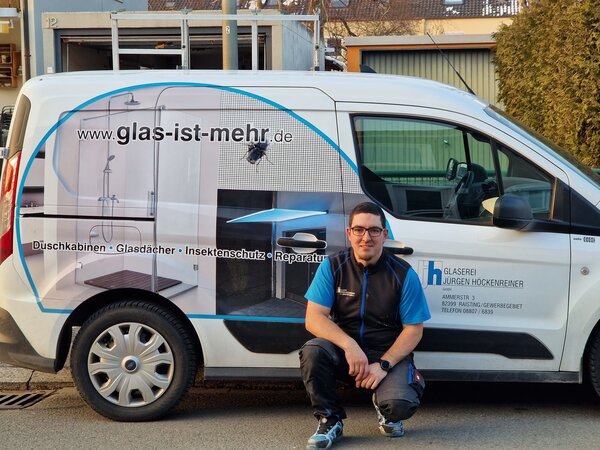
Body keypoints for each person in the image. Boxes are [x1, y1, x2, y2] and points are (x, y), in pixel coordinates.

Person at [299, 202, 431, 450]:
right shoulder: (332, 266)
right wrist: (349, 346)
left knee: (399, 406)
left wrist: (383, 365)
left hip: (386, 355)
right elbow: (314, 318)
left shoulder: (403, 274)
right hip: (345, 355)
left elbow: (414, 330)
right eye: (359, 230)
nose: (366, 237)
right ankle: (330, 420)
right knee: (313, 351)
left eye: (374, 230)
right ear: (349, 233)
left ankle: (385, 406)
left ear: (385, 234)